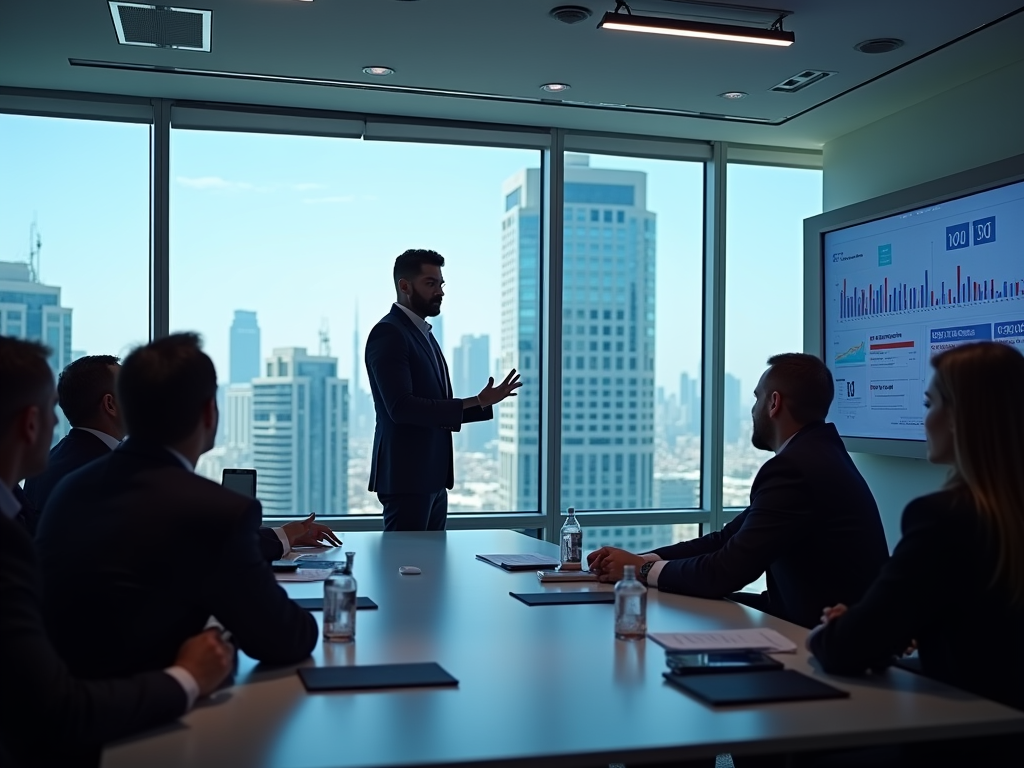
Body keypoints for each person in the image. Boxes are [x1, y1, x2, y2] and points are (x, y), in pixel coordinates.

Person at [0, 336, 232, 768]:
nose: (58, 423)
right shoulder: (18, 529)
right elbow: (55, 711)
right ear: (31, 423)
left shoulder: (26, 501)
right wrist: (187, 677)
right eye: (51, 410)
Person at [36, 333, 318, 680]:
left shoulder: (68, 488)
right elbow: (288, 638)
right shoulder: (215, 510)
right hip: (156, 715)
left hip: (67, 709)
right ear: (208, 413)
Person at [809, 342, 1024, 732]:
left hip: (965, 739)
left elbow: (845, 650)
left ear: (960, 416)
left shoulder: (943, 519)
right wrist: (872, 623)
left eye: (929, 404)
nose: (924, 419)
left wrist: (839, 628)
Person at [588, 353, 889, 628]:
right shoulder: (817, 455)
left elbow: (726, 572)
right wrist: (637, 560)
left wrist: (640, 571)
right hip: (804, 621)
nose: (752, 410)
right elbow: (728, 538)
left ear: (774, 403)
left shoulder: (795, 468)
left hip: (820, 639)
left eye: (756, 399)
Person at [23, 354, 339, 557]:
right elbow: (199, 545)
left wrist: (282, 534)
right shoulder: (124, 477)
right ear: (110, 405)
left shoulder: (45, 466)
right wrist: (284, 536)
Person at [365, 248, 521, 531]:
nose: (440, 291)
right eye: (430, 283)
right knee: (405, 568)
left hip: (433, 478)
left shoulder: (423, 334)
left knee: (430, 568)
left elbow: (435, 407)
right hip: (407, 478)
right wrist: (475, 400)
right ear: (404, 286)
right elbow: (401, 407)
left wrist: (484, 403)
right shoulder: (389, 333)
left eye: (441, 283)